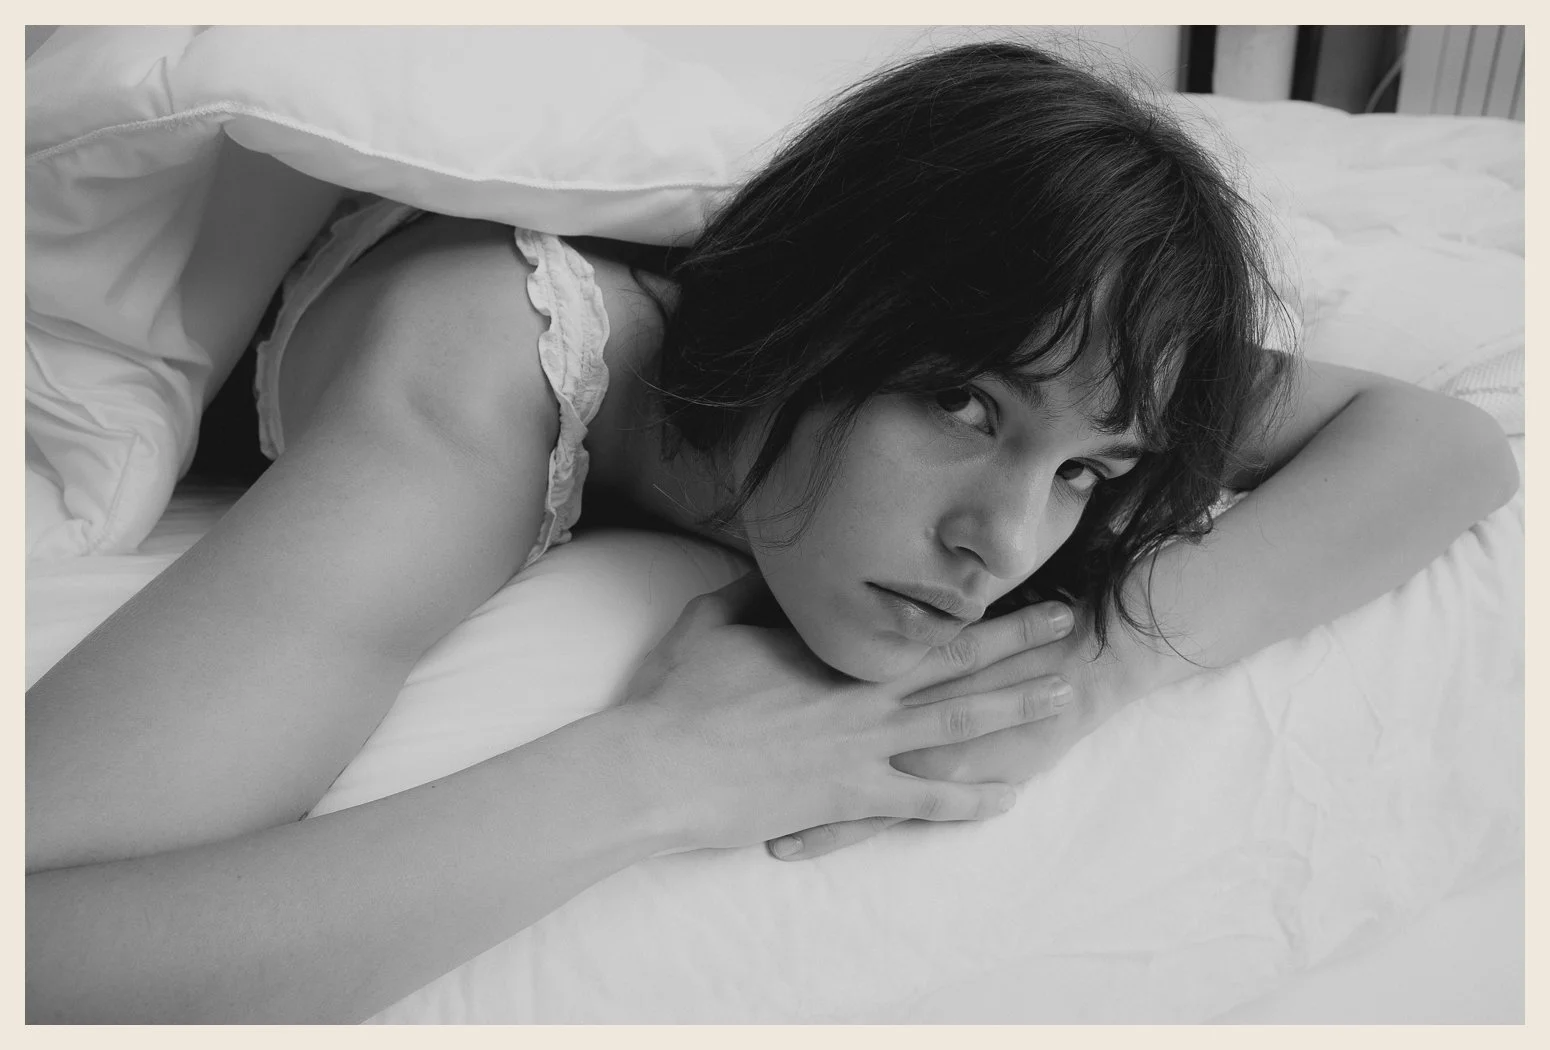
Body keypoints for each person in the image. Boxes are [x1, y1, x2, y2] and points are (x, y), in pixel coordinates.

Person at [25, 41, 1518, 1023]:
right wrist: (654, 770)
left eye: (1087, 471)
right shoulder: (465, 406)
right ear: (817, 320)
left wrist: (1097, 669)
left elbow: (1443, 443)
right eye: (960, 407)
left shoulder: (1041, 340)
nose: (1002, 541)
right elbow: (45, 946)